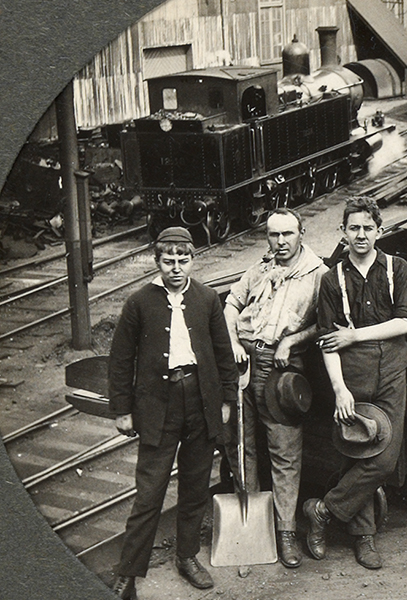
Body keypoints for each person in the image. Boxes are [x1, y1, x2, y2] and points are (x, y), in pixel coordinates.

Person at [108, 227, 238, 599]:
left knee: (196, 487)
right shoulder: (139, 302)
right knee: (149, 494)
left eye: (183, 260)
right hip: (157, 407)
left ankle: (187, 557)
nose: (177, 268)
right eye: (169, 261)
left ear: (193, 260)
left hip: (200, 402)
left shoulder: (208, 299)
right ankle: (127, 574)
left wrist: (226, 401)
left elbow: (223, 354)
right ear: (157, 262)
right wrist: (122, 409)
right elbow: (120, 359)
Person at [303, 197, 407, 570]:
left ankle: (323, 511)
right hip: (352, 378)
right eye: (354, 228)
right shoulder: (331, 279)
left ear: (379, 231)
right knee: (357, 451)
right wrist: (339, 389)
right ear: (343, 232)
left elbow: (406, 323)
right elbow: (327, 342)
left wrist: (354, 336)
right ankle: (363, 537)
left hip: (391, 375)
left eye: (368, 228)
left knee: (384, 458)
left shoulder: (397, 269)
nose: (361, 234)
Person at [223, 208, 326, 568]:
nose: (280, 242)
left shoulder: (318, 274)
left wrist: (291, 341)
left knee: (284, 453)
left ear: (302, 234)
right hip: (244, 362)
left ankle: (285, 532)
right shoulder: (260, 268)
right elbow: (232, 303)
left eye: (287, 234)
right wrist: (234, 341)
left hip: (281, 371)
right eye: (273, 235)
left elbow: (325, 324)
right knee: (243, 444)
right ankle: (252, 530)